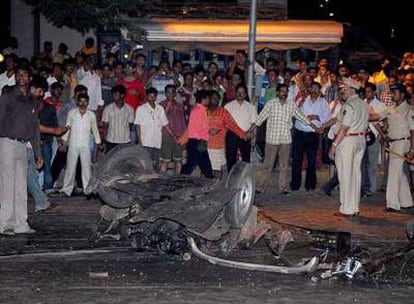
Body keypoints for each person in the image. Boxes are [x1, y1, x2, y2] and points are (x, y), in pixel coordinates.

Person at [250, 83, 320, 194]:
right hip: (272, 140)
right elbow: (260, 118)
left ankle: (283, 188)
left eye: (286, 91)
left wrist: (313, 126)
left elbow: (301, 116)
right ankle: (260, 187)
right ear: (277, 92)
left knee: (284, 166)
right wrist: (250, 130)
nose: (284, 93)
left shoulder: (291, 104)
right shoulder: (271, 104)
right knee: (267, 165)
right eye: (282, 91)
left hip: (286, 140)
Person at [0, 65, 45, 235]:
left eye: (25, 75)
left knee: (21, 186)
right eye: (19, 75)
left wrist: (38, 154)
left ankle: (21, 223)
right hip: (6, 143)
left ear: (30, 79)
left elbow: (34, 129)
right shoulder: (7, 96)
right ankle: (5, 223)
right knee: (7, 184)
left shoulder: (32, 101)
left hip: (22, 145)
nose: (21, 78)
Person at [328, 78, 369, 217]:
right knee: (355, 174)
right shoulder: (363, 104)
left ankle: (346, 208)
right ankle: (354, 207)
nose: (342, 92)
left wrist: (334, 145)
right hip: (360, 139)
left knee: (345, 175)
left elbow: (344, 127)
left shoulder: (349, 105)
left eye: (344, 90)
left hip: (348, 141)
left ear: (352, 89)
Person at [60, 94, 102, 196]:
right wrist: (64, 142)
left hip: (85, 144)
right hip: (73, 143)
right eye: (81, 101)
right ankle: (66, 189)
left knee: (86, 168)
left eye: (85, 101)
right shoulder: (72, 113)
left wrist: (98, 142)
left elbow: (94, 129)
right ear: (77, 102)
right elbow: (67, 128)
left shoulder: (91, 115)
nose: (83, 104)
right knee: (70, 167)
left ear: (88, 102)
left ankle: (87, 189)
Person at [180, 90, 214, 178]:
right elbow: (197, 128)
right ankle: (210, 180)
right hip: (198, 141)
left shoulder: (198, 110)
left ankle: (179, 181)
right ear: (205, 99)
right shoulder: (199, 111)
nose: (209, 100)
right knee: (204, 165)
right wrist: (207, 133)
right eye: (208, 98)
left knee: (192, 164)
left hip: (195, 141)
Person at [101, 85, 135, 153]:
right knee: (111, 161)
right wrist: (104, 141)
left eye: (116, 94)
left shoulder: (129, 109)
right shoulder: (108, 109)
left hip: (125, 141)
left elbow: (131, 125)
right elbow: (105, 127)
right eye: (113, 94)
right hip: (111, 141)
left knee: (124, 161)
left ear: (122, 95)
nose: (114, 96)